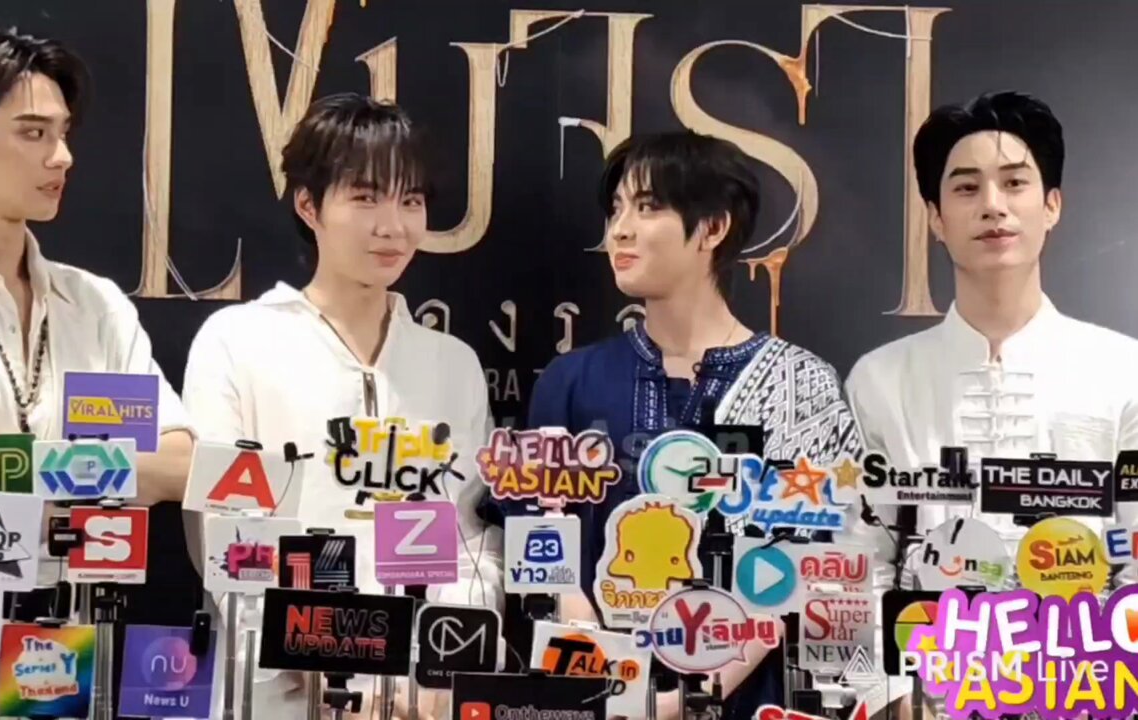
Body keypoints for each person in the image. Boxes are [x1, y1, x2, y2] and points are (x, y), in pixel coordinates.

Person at [524, 131, 864, 720]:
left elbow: (812, 564)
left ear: (712, 228)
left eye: (647, 207)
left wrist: (690, 698)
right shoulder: (569, 382)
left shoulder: (800, 385)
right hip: (594, 695)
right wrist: (607, 677)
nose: (620, 231)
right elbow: (539, 537)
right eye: (615, 210)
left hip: (747, 701)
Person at [182, 92, 500, 720]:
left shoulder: (452, 364)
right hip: (276, 695)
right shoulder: (238, 340)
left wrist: (445, 660)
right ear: (309, 205)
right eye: (365, 197)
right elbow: (223, 534)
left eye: (411, 201)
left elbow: (472, 536)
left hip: (417, 699)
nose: (393, 226)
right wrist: (321, 660)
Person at [0, 24, 194, 541]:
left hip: (87, 592)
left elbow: (177, 461)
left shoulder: (94, 305)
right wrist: (92, 477)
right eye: (33, 133)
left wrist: (8, 475)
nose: (62, 157)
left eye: (63, 132)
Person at [846, 91, 1138, 585]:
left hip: (1085, 635)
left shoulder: (1123, 371)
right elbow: (861, 564)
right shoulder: (881, 381)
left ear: (1052, 205)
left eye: (1014, 183)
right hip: (920, 634)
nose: (992, 206)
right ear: (936, 218)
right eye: (966, 188)